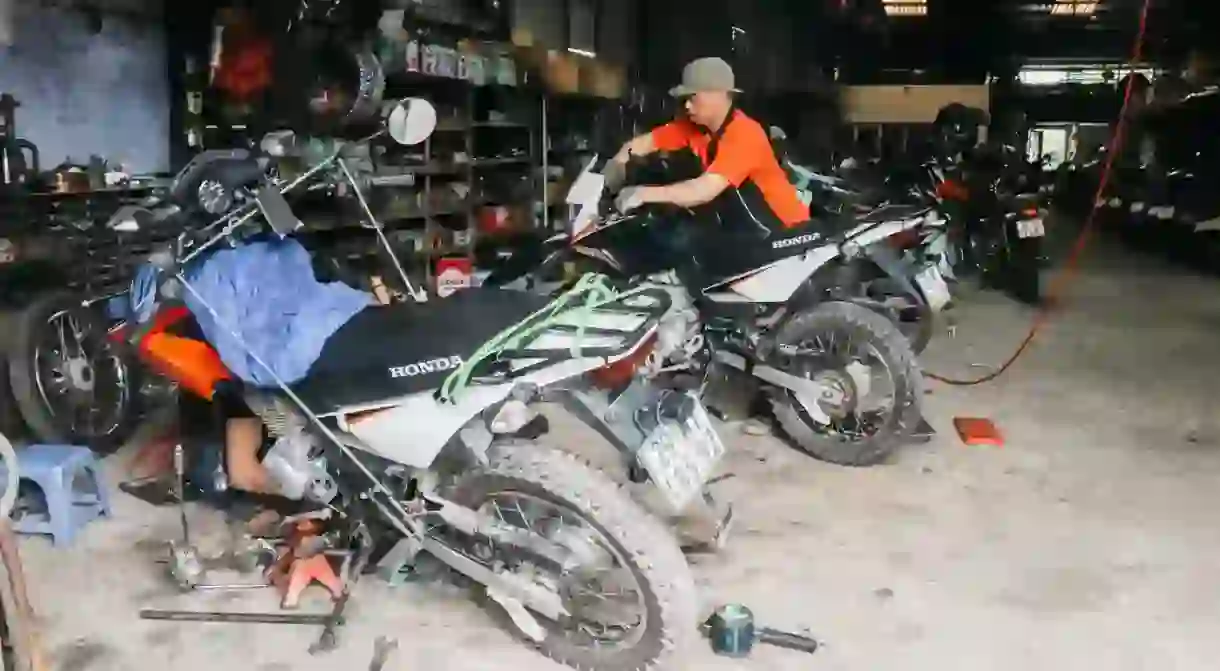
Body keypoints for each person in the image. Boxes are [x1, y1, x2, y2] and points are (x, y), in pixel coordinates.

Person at [608, 57, 810, 234]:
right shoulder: (694, 126)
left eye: (693, 97)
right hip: (749, 230)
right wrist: (617, 163)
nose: (686, 105)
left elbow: (703, 190)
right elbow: (644, 143)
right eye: (685, 99)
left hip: (785, 235)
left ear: (719, 94)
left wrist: (642, 193)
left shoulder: (745, 133)